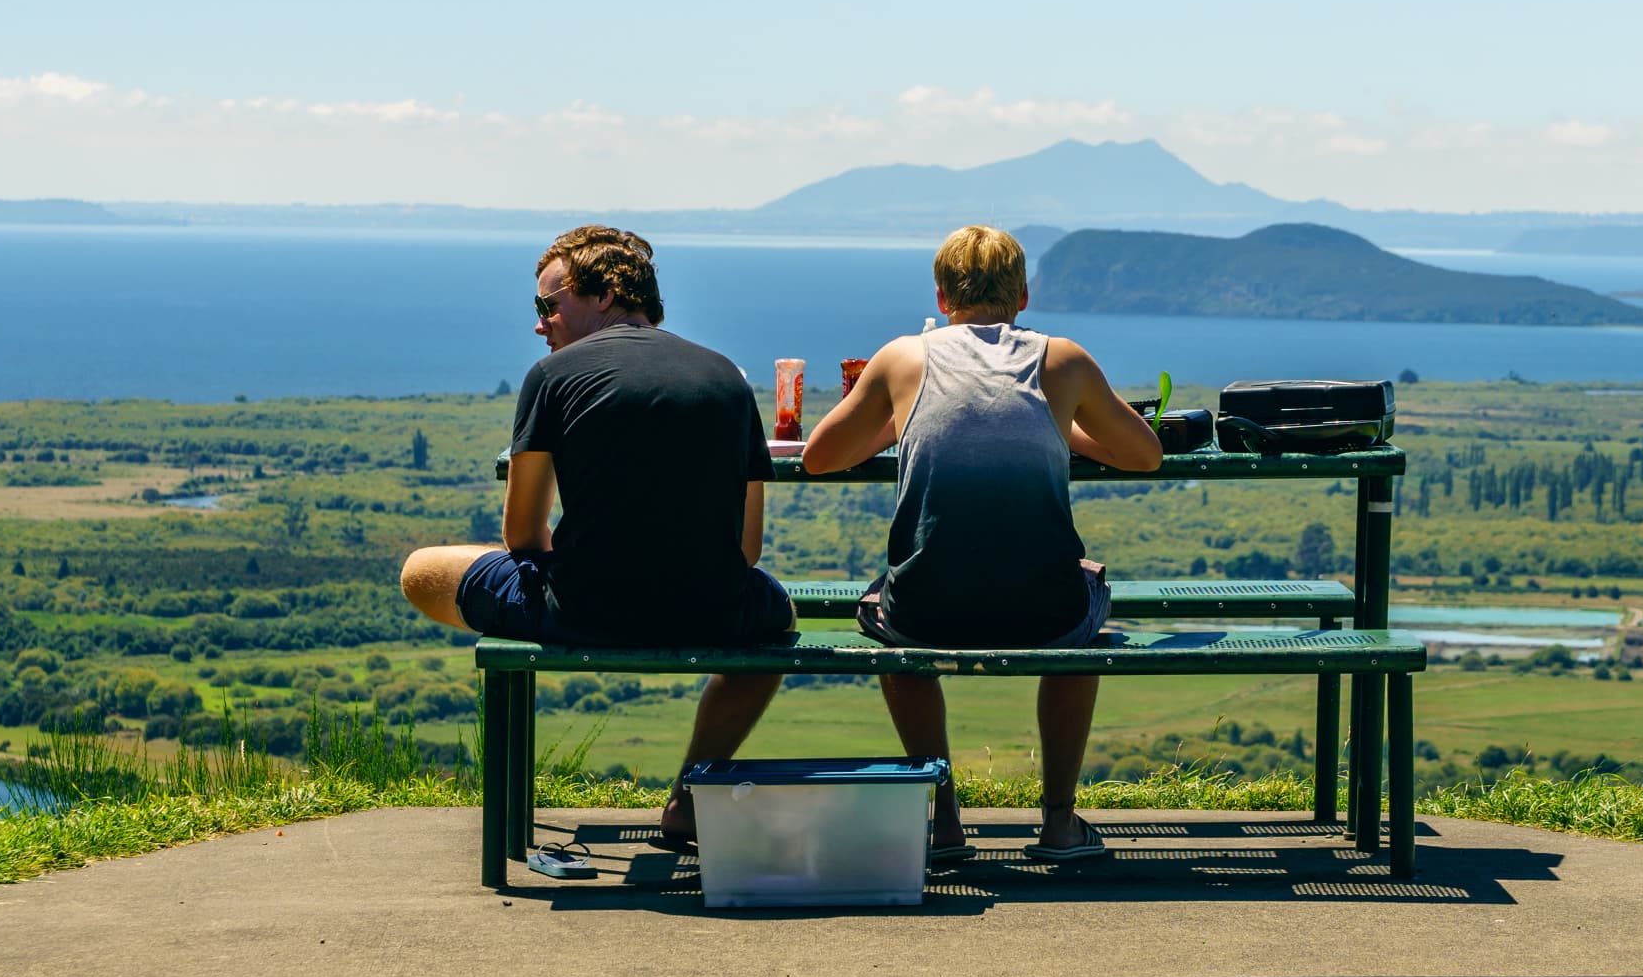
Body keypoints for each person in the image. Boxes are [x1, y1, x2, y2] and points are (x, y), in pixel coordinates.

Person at [399, 225, 794, 849]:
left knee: (423, 568)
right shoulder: (726, 379)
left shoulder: (553, 376)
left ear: (606, 293)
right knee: (779, 613)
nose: (540, 322)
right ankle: (689, 796)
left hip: (586, 611)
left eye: (548, 304)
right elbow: (747, 550)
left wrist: (598, 559)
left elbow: (522, 535)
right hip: (716, 612)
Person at [803, 224, 1162, 861]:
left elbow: (820, 457)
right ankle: (1058, 820)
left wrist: (900, 423)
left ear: (942, 298)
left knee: (890, 618)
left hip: (928, 614)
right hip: (1046, 614)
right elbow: (1145, 455)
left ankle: (941, 819)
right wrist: (1064, 427)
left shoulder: (902, 358)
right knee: (1083, 619)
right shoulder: (1064, 359)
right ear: (1022, 295)